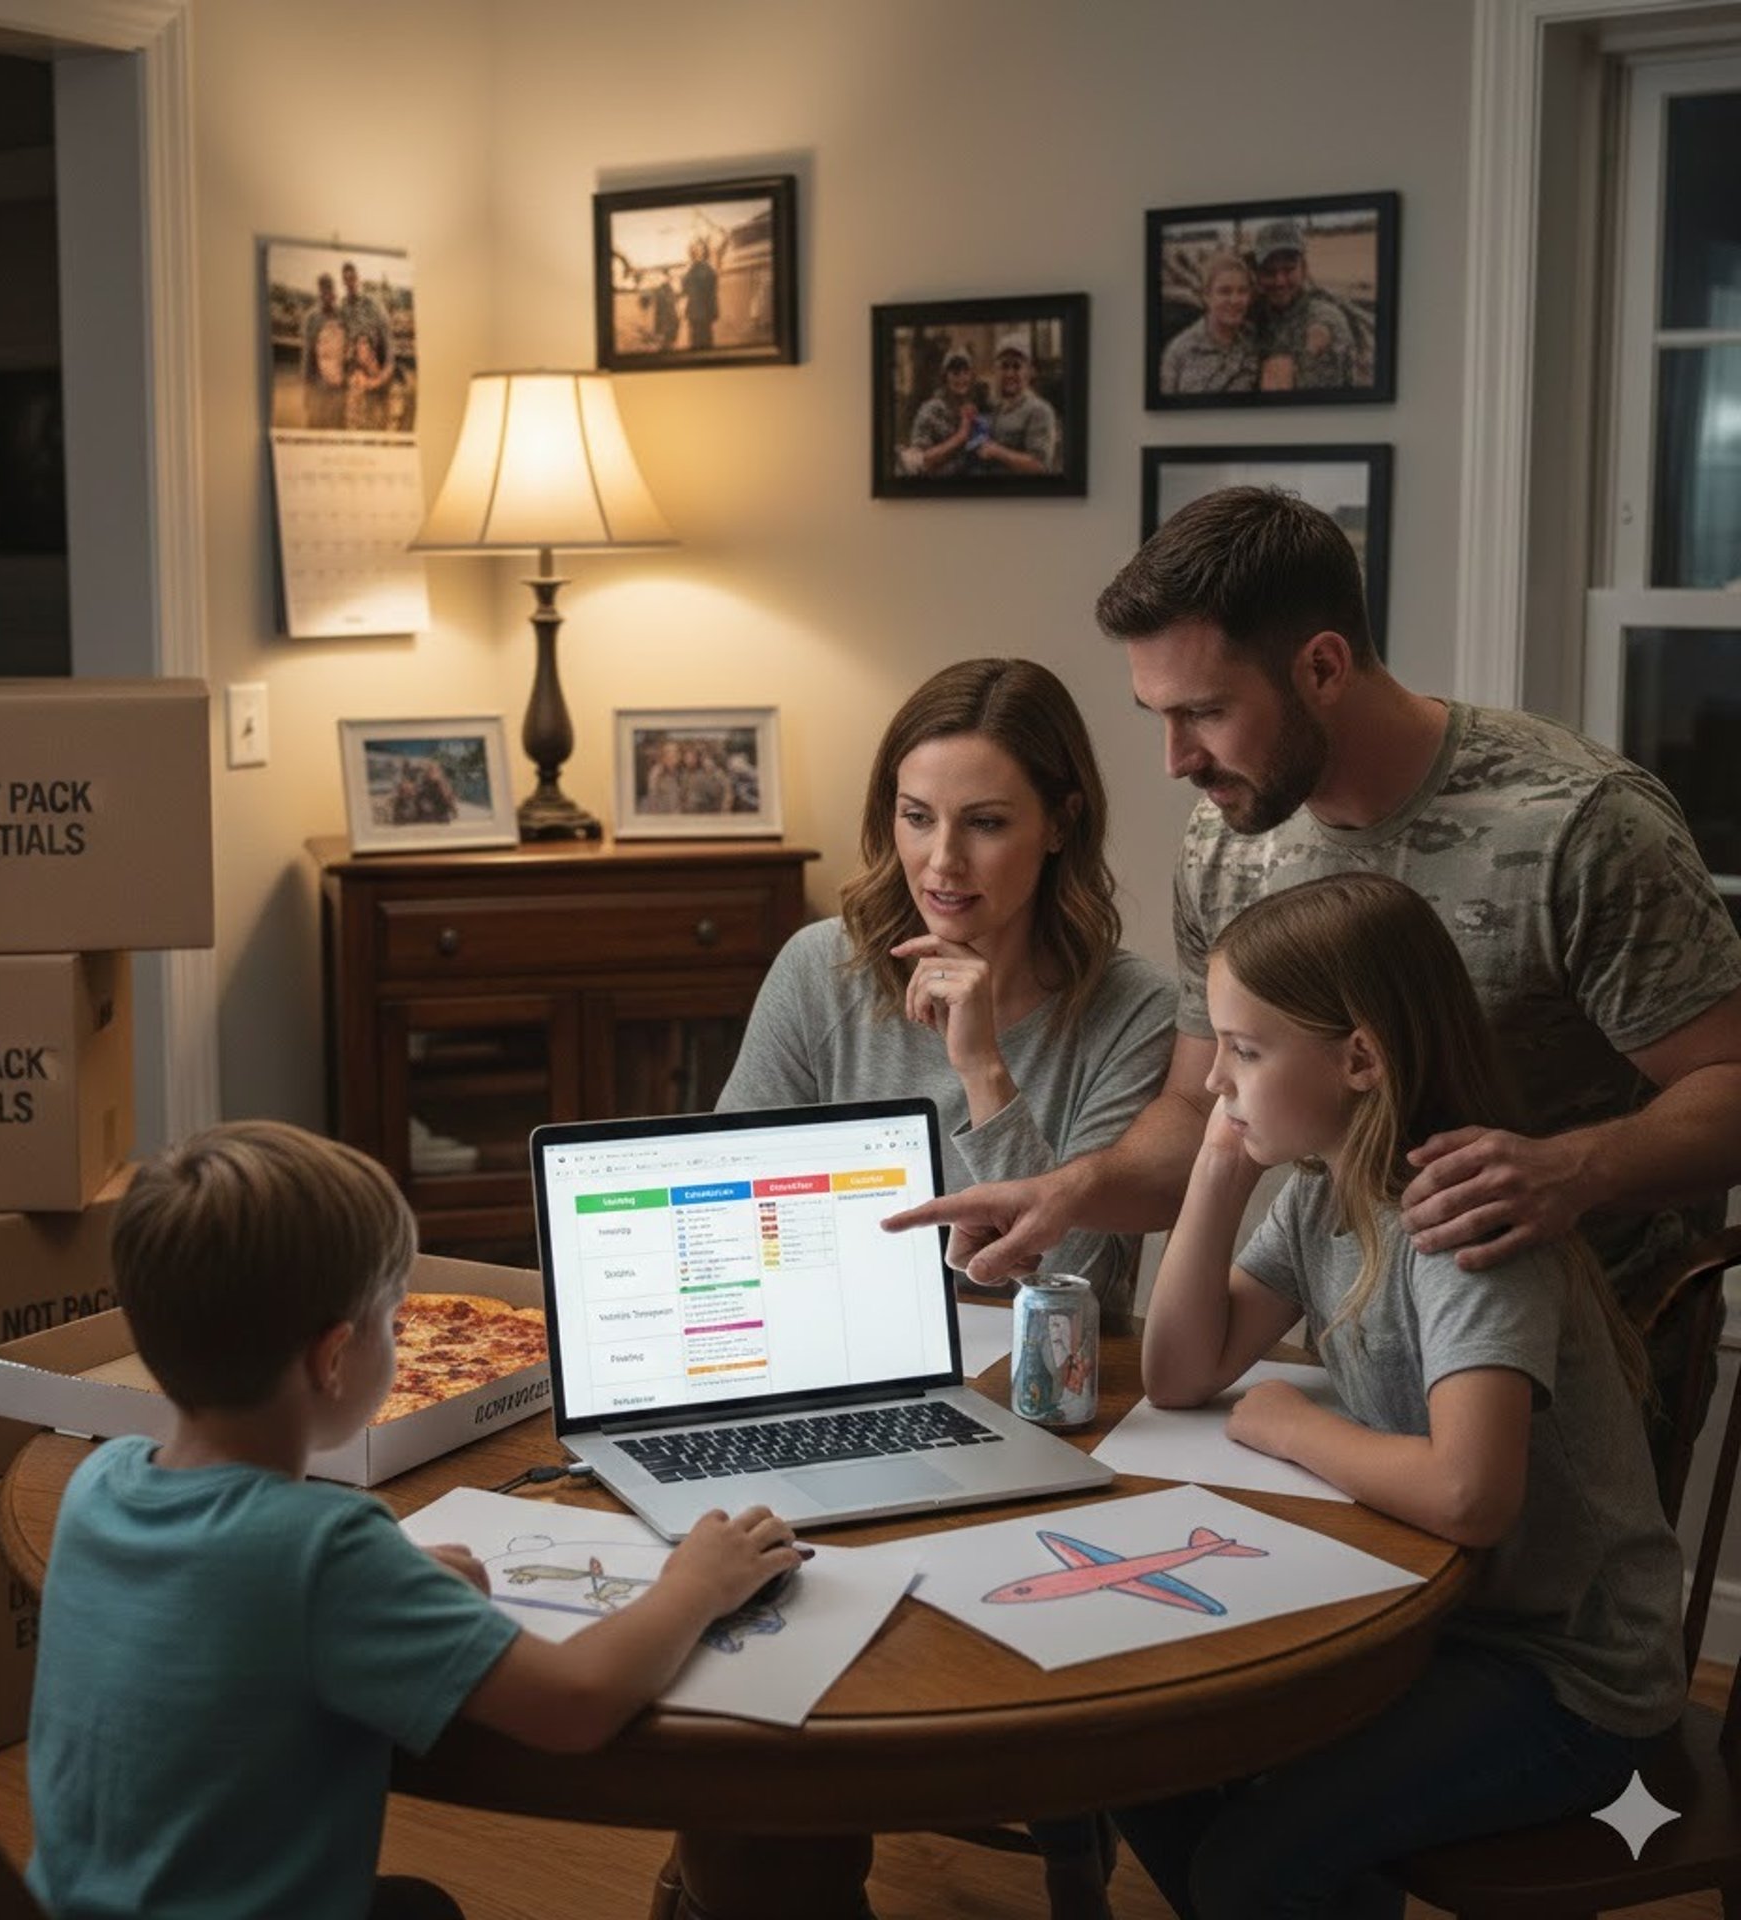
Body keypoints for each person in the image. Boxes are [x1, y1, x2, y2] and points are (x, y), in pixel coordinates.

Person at [886, 485, 1741, 1470]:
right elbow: (1198, 1109)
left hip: (1582, 1374)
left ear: (1324, 666)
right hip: (1358, 1362)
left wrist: (1569, 1172)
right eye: (1158, 714)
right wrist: (1069, 1191)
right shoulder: (1228, 841)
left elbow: (1730, 1088)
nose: (1173, 760)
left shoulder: (1579, 827)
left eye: (1204, 711)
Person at [25, 1120, 801, 1920]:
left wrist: (389, 1586)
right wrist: (695, 1584)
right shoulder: (326, 1551)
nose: (401, 1336)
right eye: (394, 1320)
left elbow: (237, 1606)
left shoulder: (99, 1483)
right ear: (332, 1359)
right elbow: (577, 1702)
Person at [1105, 870, 1683, 1919]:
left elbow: (1473, 1496)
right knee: (1135, 1756)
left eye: (1245, 1050)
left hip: (1566, 1680)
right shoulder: (1330, 1189)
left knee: (1249, 1866)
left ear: (1359, 1059)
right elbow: (1180, 1372)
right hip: (1430, 1624)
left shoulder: (1460, 1229)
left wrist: (1294, 1424)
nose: (1217, 1082)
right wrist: (1217, 1174)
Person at [719, 657, 1176, 1321]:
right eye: (917, 817)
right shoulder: (819, 969)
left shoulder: (1135, 1012)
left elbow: (1079, 1297)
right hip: (833, 1346)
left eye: (985, 823)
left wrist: (985, 1070)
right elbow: (727, 1221)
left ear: (1060, 823)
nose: (942, 861)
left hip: (1034, 1389)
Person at [1248, 218, 1357, 390]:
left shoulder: (1325, 319)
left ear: (1304, 269)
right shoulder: (1256, 313)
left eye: (1289, 269)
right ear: (1258, 275)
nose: (1280, 281)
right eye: (1270, 272)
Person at [1157, 250, 1260, 396]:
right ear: (1206, 295)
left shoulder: (1255, 341)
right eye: (1225, 291)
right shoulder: (1179, 351)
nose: (1235, 300)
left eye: (1242, 291)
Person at [976, 333, 1060, 474]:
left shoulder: (1039, 410)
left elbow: (1040, 466)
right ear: (996, 371)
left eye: (1016, 366)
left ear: (1029, 371)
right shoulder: (996, 407)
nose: (1009, 374)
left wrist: (997, 452)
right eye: (1004, 366)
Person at [906, 349, 989, 476]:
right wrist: (961, 436)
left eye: (965, 372)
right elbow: (918, 461)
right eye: (955, 372)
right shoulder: (930, 410)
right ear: (945, 377)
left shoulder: (973, 408)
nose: (961, 377)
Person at [301, 271, 348, 429]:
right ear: (320, 292)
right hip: (318, 382)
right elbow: (308, 354)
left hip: (338, 384)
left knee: (338, 425)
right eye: (324, 290)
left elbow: (346, 349)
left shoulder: (342, 315)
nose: (327, 294)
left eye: (330, 289)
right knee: (315, 424)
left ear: (334, 291)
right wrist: (307, 389)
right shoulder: (312, 318)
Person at [340, 258, 395, 382]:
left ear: (357, 279)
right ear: (343, 282)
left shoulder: (371, 303)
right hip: (354, 364)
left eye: (352, 278)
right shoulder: (343, 307)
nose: (350, 283)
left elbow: (386, 333)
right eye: (346, 279)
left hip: (373, 361)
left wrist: (387, 366)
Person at [682, 235, 720, 351]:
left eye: (700, 249)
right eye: (694, 249)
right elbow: (685, 289)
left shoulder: (706, 269)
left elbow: (711, 293)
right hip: (695, 312)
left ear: (704, 251)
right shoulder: (692, 268)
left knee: (703, 342)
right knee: (696, 341)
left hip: (703, 313)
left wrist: (713, 311)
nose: (697, 252)